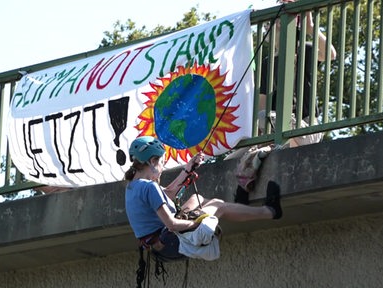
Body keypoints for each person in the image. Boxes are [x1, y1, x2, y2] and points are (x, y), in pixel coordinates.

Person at [234, 1, 337, 204]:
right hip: (276, 130)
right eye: (270, 24)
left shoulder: (305, 51)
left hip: (305, 126)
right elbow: (262, 111)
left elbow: (330, 54)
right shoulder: (266, 64)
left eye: (279, 22)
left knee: (283, 122)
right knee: (232, 158)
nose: (274, 26)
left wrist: (310, 27)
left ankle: (274, 147)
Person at [124, 135, 282, 264]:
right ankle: (270, 211)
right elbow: (172, 224)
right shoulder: (149, 187)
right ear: (152, 162)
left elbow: (167, 194)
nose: (162, 169)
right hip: (171, 243)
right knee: (218, 206)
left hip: (160, 247)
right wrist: (196, 222)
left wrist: (188, 169)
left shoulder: (132, 187)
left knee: (196, 198)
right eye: (162, 163)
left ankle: (240, 208)